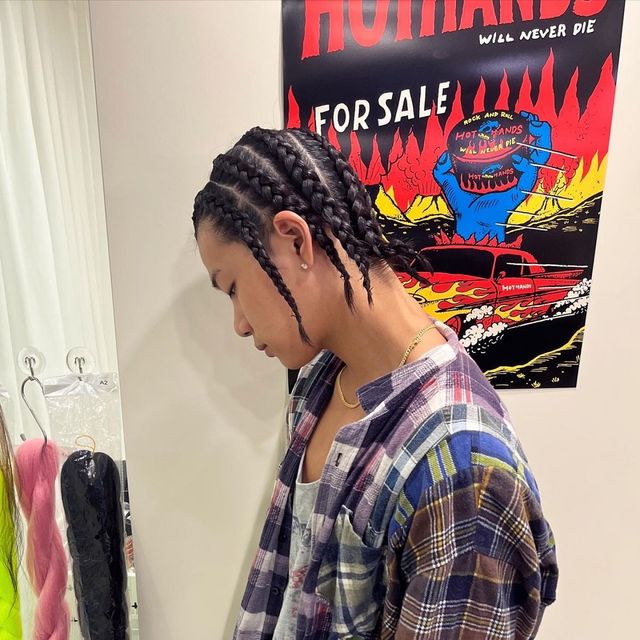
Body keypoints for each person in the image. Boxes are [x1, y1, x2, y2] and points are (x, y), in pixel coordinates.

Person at [191, 126, 558, 639]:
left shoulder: (464, 475)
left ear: (295, 240)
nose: (239, 324)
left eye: (232, 288)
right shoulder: (321, 378)